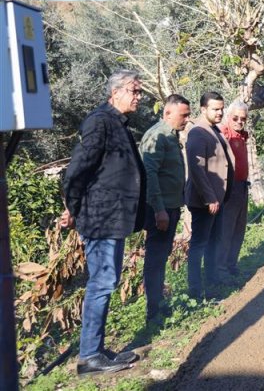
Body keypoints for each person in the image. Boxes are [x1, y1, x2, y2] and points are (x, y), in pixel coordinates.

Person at [61, 70, 146, 375]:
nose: (139, 97)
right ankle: (89, 356)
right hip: (101, 217)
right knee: (102, 283)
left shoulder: (115, 122)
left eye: (139, 92)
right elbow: (77, 170)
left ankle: (94, 350)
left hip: (111, 216)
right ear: (116, 92)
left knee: (105, 283)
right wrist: (73, 207)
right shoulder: (100, 121)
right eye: (135, 91)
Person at [140, 94, 191, 323]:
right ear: (167, 113)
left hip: (171, 206)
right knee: (155, 259)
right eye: (184, 115)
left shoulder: (171, 136)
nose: (187, 120)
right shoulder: (157, 136)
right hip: (160, 209)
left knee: (161, 257)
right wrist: (159, 210)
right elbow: (149, 174)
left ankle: (158, 305)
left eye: (188, 115)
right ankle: (153, 312)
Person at [184, 91, 234, 300]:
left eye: (222, 108)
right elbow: (197, 169)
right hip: (206, 201)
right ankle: (196, 291)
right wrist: (209, 198)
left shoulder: (214, 130)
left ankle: (212, 283)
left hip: (217, 199)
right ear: (203, 109)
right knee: (199, 246)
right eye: (215, 109)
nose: (220, 112)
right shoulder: (197, 132)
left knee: (213, 243)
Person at [217, 101, 250, 278]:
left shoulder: (243, 135)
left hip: (242, 187)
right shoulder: (224, 134)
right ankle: (221, 270)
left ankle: (231, 266)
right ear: (228, 117)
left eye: (242, 118)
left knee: (239, 229)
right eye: (235, 118)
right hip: (228, 189)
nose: (239, 121)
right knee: (226, 230)